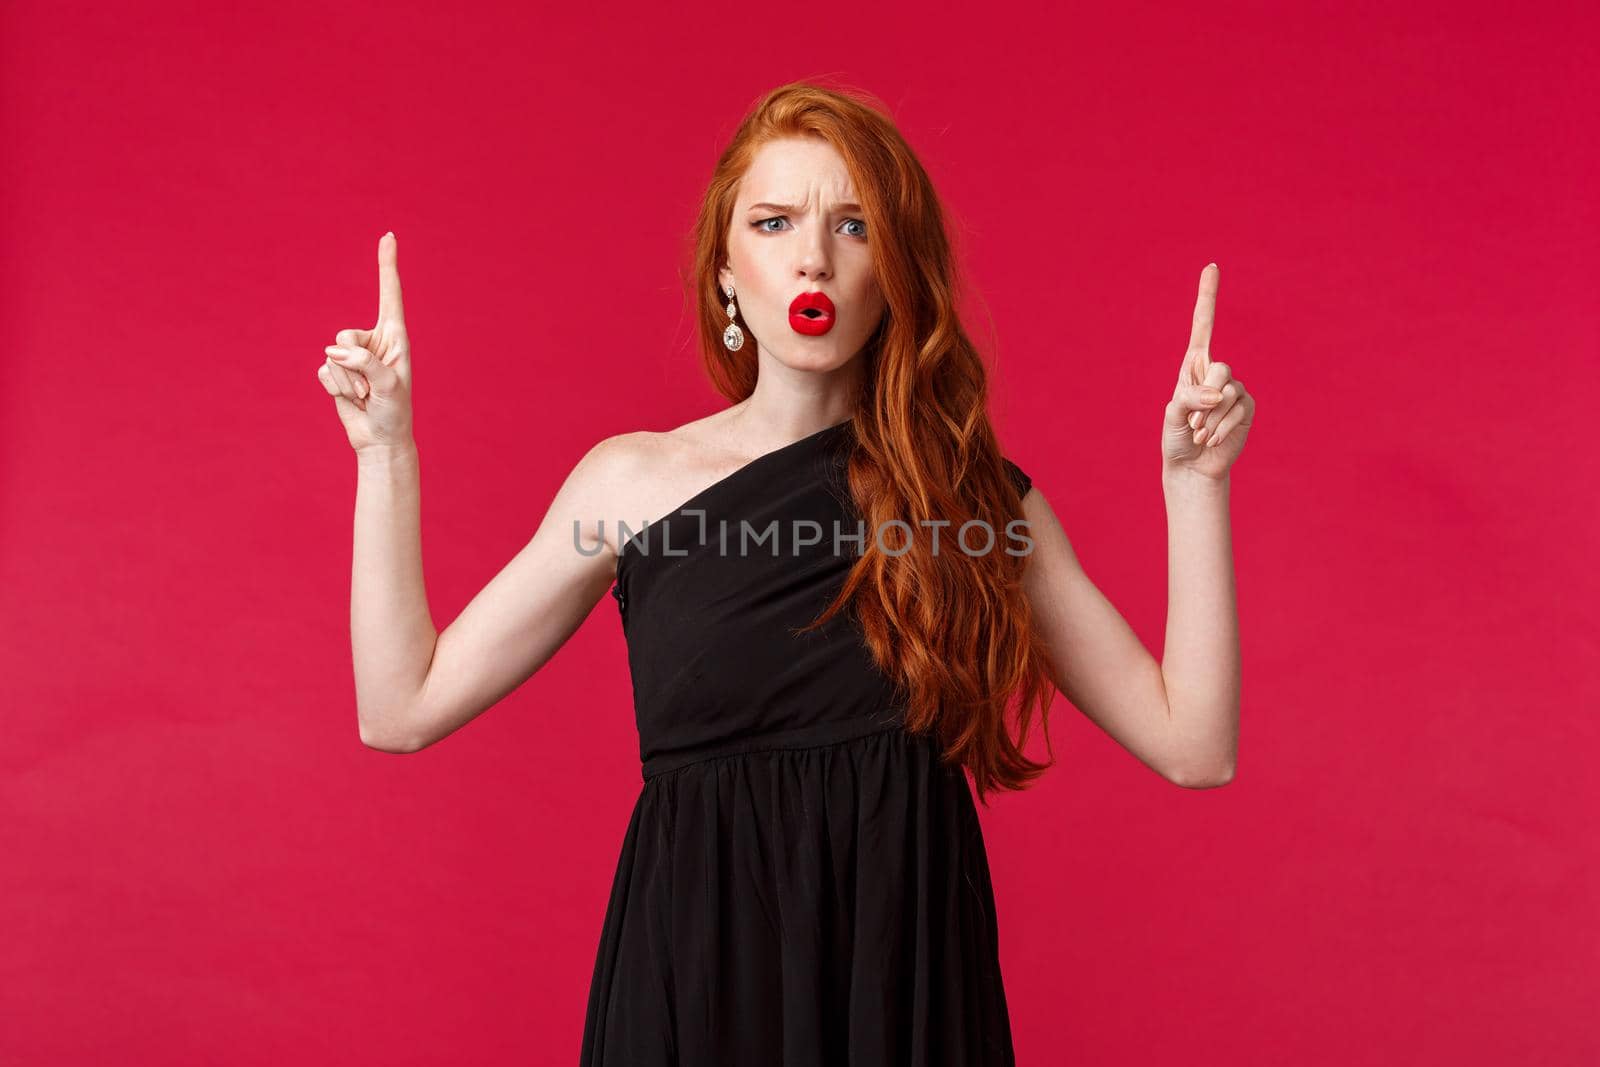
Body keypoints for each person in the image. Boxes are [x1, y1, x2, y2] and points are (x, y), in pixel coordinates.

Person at [317, 81, 1252, 1066]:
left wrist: (1193, 486)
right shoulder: (629, 483)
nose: (814, 257)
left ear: (892, 271)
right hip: (697, 981)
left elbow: (1195, 744)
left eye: (853, 225)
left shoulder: (971, 501)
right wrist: (385, 453)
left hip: (903, 992)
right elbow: (400, 705)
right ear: (726, 270)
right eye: (774, 223)